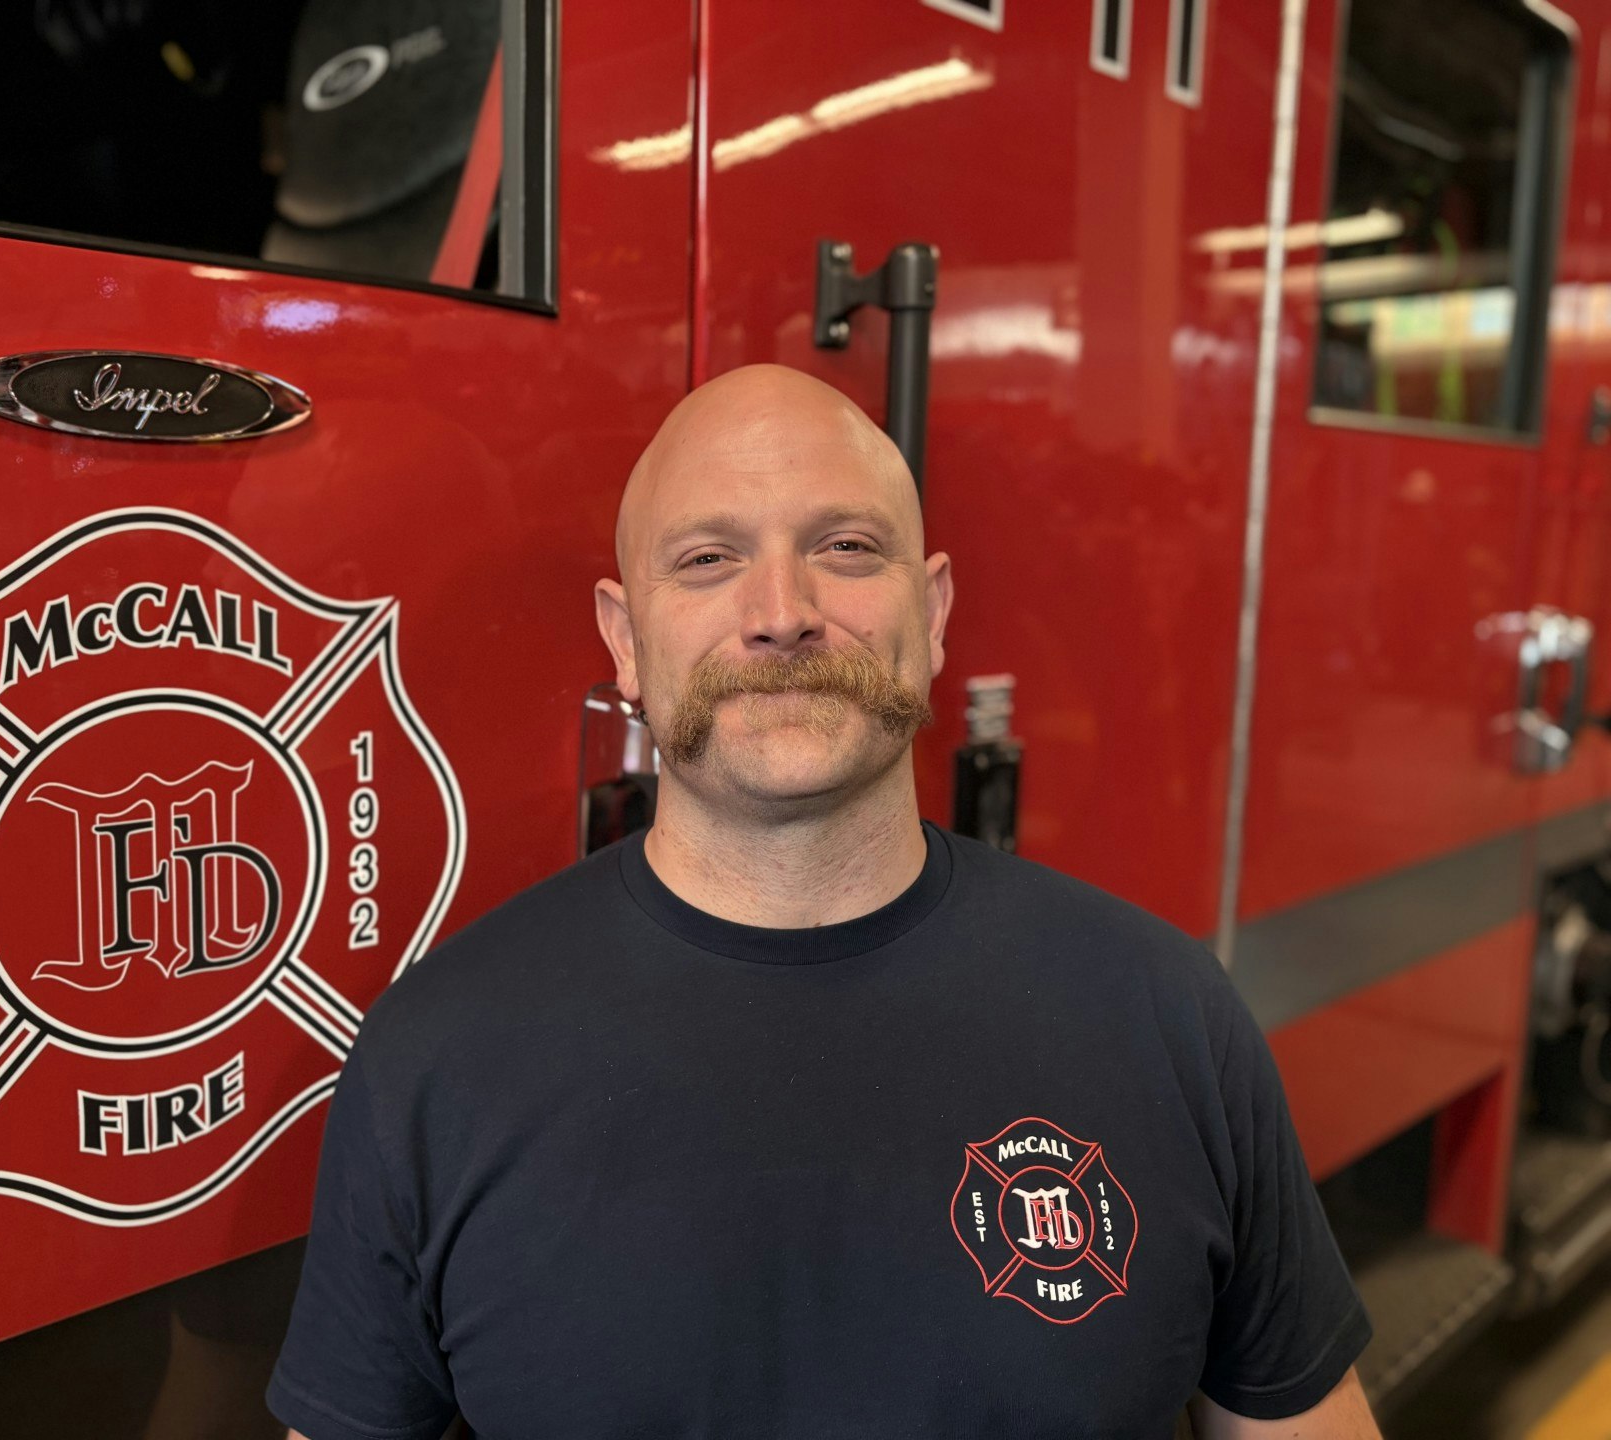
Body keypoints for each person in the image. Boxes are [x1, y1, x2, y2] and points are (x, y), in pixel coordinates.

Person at [267, 364, 1381, 1439]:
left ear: (932, 611)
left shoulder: (1167, 1017)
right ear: (625, 639)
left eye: (845, 547)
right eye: (708, 558)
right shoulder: (437, 1059)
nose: (782, 612)